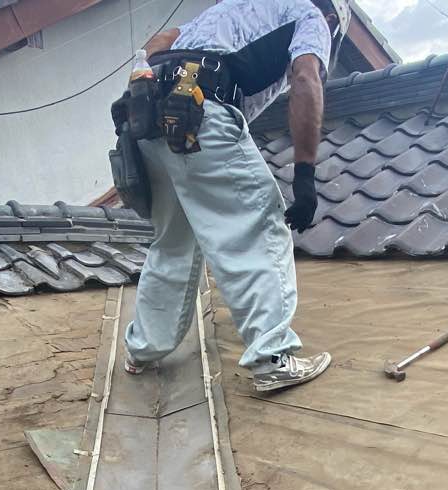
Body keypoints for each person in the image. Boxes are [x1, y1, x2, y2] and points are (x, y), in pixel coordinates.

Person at [121, 0, 349, 392]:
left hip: (148, 116)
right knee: (257, 228)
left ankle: (142, 349)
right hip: (198, 111)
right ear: (332, 19)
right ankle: (272, 357)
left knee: (173, 241)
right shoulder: (311, 16)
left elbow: (164, 39)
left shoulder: (233, 9)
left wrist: (149, 74)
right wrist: (305, 175)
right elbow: (306, 78)